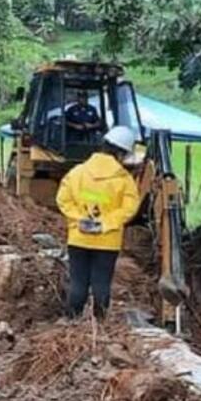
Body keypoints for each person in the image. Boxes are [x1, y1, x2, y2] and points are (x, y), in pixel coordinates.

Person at [56, 125, 141, 318]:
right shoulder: (124, 179)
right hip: (107, 241)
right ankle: (100, 326)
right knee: (101, 285)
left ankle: (72, 323)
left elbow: (63, 199)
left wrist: (80, 219)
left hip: (79, 238)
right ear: (121, 153)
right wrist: (105, 223)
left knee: (78, 285)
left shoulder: (77, 172)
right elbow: (129, 208)